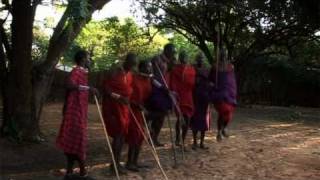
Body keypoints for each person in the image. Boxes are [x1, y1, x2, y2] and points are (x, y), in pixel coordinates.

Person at [56, 50, 98, 180]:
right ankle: (83, 172)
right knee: (78, 139)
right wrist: (88, 89)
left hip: (79, 110)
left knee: (73, 139)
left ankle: (69, 172)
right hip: (74, 111)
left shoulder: (83, 73)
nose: (90, 60)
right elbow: (69, 84)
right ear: (82, 59)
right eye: (88, 58)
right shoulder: (76, 71)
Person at [102, 53, 137, 174]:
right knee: (118, 135)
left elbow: (129, 90)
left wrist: (126, 99)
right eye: (132, 63)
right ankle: (114, 166)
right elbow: (105, 89)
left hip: (124, 108)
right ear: (126, 61)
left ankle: (116, 164)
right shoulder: (115, 71)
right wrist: (119, 97)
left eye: (134, 64)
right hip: (113, 107)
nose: (133, 66)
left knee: (122, 135)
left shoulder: (130, 74)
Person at [146, 43, 177, 146]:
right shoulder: (157, 59)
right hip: (154, 88)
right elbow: (151, 76)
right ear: (166, 50)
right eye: (172, 52)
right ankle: (146, 120)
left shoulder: (169, 61)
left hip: (164, 89)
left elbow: (168, 74)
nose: (174, 54)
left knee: (162, 115)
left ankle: (154, 138)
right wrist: (161, 87)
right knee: (158, 112)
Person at [126, 61, 153, 172]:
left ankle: (135, 161)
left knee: (141, 136)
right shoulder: (133, 78)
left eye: (150, 67)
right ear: (141, 67)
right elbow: (127, 95)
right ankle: (129, 162)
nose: (149, 69)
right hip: (132, 110)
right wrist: (136, 104)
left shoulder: (148, 80)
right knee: (134, 135)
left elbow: (148, 97)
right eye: (147, 66)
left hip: (142, 111)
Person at [169, 50, 196, 147]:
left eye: (185, 56)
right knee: (180, 118)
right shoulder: (175, 69)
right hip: (179, 96)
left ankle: (183, 140)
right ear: (180, 58)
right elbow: (173, 82)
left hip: (188, 96)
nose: (184, 58)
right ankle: (177, 139)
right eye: (182, 56)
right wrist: (174, 93)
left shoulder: (191, 69)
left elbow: (193, 82)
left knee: (188, 118)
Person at [209, 50, 237, 142]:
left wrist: (233, 91)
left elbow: (232, 80)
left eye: (224, 54)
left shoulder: (230, 66)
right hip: (219, 93)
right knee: (223, 111)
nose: (223, 56)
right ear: (219, 56)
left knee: (228, 114)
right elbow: (210, 79)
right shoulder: (215, 66)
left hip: (229, 93)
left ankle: (223, 129)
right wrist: (212, 85)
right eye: (221, 55)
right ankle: (219, 132)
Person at [190, 53, 212, 150]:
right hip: (195, 97)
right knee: (195, 119)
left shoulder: (207, 69)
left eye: (202, 58)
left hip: (205, 97)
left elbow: (210, 81)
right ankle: (194, 141)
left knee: (204, 120)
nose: (200, 60)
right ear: (196, 59)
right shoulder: (192, 68)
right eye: (198, 58)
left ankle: (202, 142)